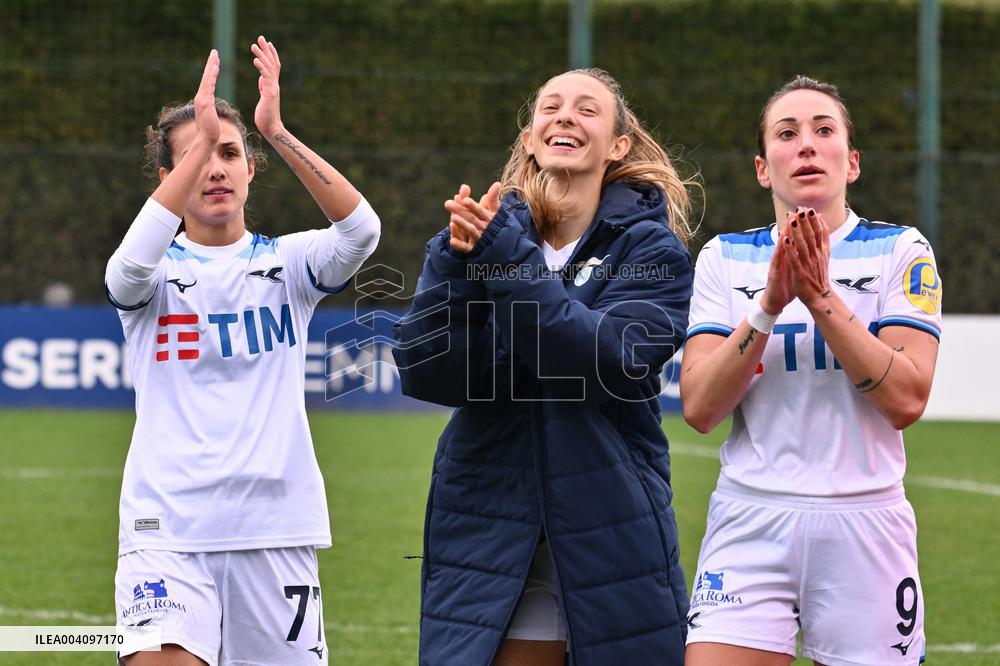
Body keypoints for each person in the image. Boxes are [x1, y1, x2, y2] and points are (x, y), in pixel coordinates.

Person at [393, 68, 697, 665]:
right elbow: (428, 371)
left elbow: (600, 360)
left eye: (587, 110)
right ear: (530, 139)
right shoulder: (480, 236)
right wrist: (455, 268)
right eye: (551, 107)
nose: (564, 116)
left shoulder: (650, 249)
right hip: (490, 520)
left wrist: (504, 262)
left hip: (607, 524)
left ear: (617, 146)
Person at [106, 37, 380, 665]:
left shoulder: (290, 265)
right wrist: (199, 141)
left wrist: (275, 131)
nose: (216, 168)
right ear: (168, 178)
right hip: (166, 532)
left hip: (275, 530)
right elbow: (122, 274)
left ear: (252, 168)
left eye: (229, 153)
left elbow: (362, 230)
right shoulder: (149, 276)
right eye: (197, 156)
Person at [680, 75, 942, 666]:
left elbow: (907, 399)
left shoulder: (901, 250)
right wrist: (769, 303)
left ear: (851, 164)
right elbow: (699, 407)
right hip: (749, 518)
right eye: (787, 133)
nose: (806, 145)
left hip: (865, 523)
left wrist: (821, 296)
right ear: (761, 168)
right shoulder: (725, 258)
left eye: (824, 131)